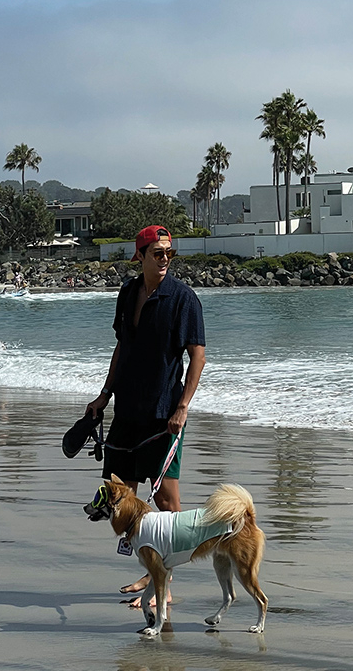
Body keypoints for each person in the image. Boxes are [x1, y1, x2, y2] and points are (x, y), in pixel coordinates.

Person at [86, 225, 206, 598]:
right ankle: (149, 568)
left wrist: (182, 407)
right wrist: (105, 394)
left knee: (167, 500)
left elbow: (197, 356)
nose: (166, 258)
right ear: (140, 256)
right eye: (158, 253)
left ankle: (163, 583)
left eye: (169, 253)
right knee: (122, 494)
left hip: (162, 414)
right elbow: (122, 347)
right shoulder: (128, 292)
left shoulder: (183, 299)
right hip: (127, 410)